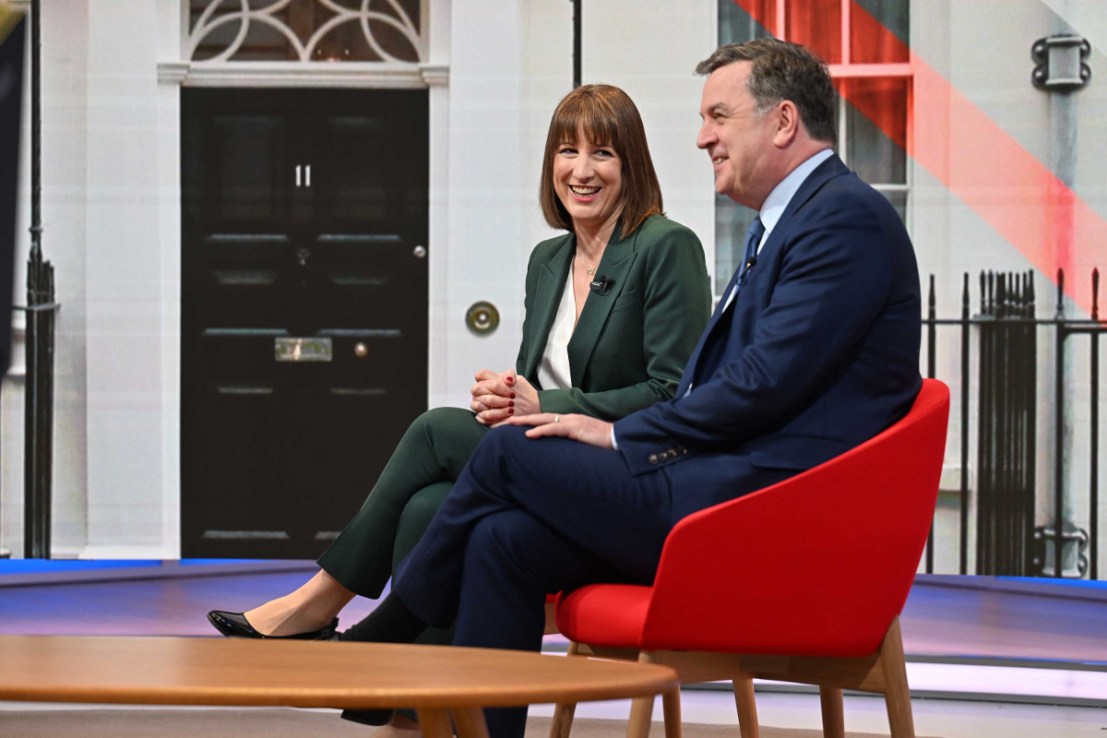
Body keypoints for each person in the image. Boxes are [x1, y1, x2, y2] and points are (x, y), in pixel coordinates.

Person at [330, 38, 923, 738]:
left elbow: (763, 385)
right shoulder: (790, 221)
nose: (702, 136)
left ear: (783, 122)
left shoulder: (839, 219)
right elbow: (738, 381)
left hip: (757, 514)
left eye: (717, 116)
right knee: (500, 536)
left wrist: (615, 433)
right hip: (720, 489)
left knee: (508, 453)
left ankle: (393, 625)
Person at [207, 84, 711, 644]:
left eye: (603, 153)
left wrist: (547, 404)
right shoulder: (548, 260)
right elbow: (535, 380)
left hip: (621, 478)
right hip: (539, 459)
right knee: (427, 507)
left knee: (432, 430)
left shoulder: (666, 247)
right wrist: (504, 393)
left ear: (631, 164)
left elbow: (672, 394)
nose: (581, 170)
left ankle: (320, 600)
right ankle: (412, 710)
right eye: (568, 151)